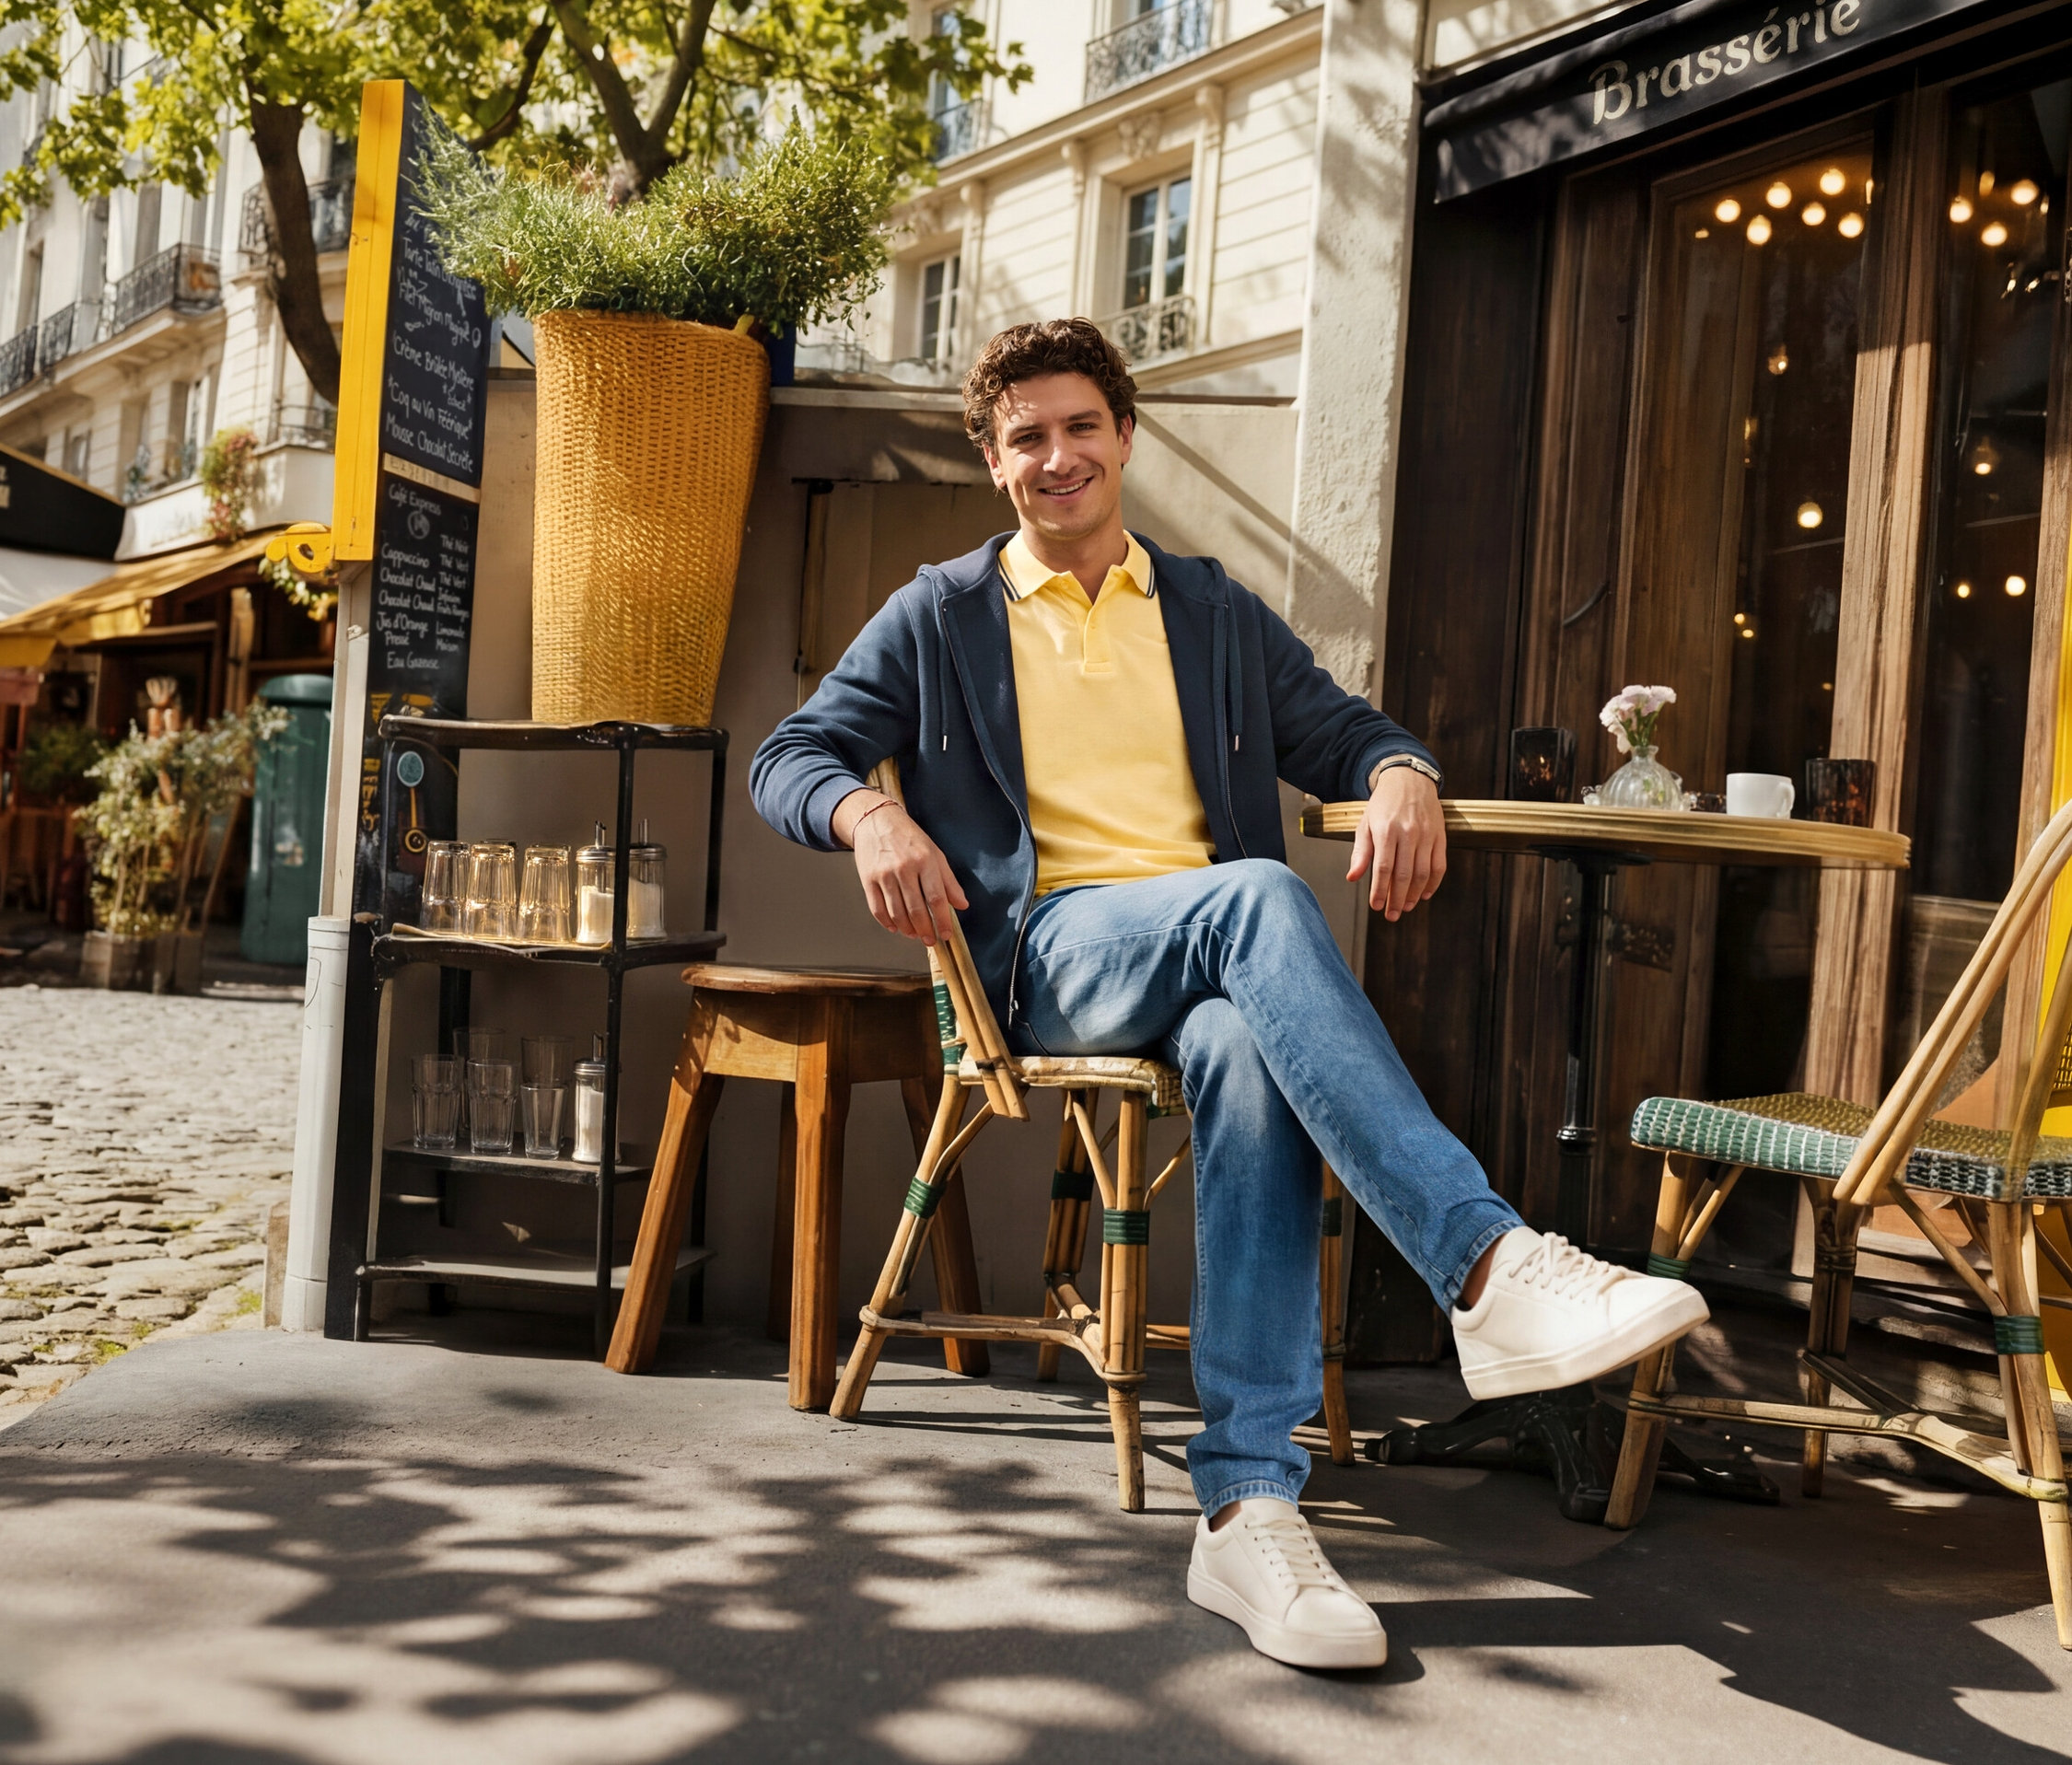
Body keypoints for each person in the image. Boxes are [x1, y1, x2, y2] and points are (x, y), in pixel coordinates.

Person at [751, 318, 1707, 1671]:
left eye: (1081, 425)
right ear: (991, 461)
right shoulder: (941, 613)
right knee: (1257, 895)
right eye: (1026, 435)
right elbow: (789, 753)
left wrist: (1399, 776)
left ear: (1126, 435)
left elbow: (1349, 729)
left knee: (1249, 1051)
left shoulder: (1206, 611)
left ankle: (1247, 1505)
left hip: (1210, 962)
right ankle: (1487, 1266)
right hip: (1049, 959)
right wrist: (865, 816)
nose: (1058, 454)